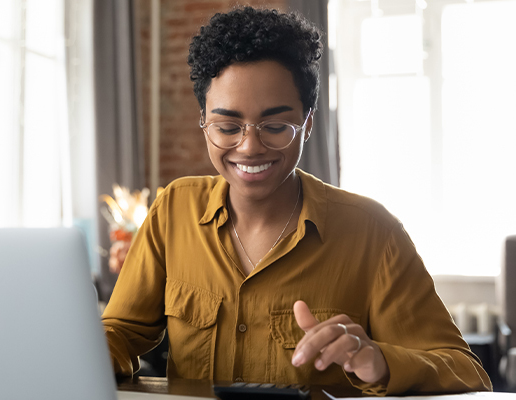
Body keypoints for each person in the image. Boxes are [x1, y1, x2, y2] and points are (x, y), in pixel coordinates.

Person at [102, 6, 492, 395]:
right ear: (203, 122)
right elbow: (121, 332)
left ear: (307, 124)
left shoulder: (373, 233)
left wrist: (379, 361)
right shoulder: (174, 210)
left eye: (275, 126)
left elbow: (466, 372)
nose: (250, 147)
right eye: (227, 127)